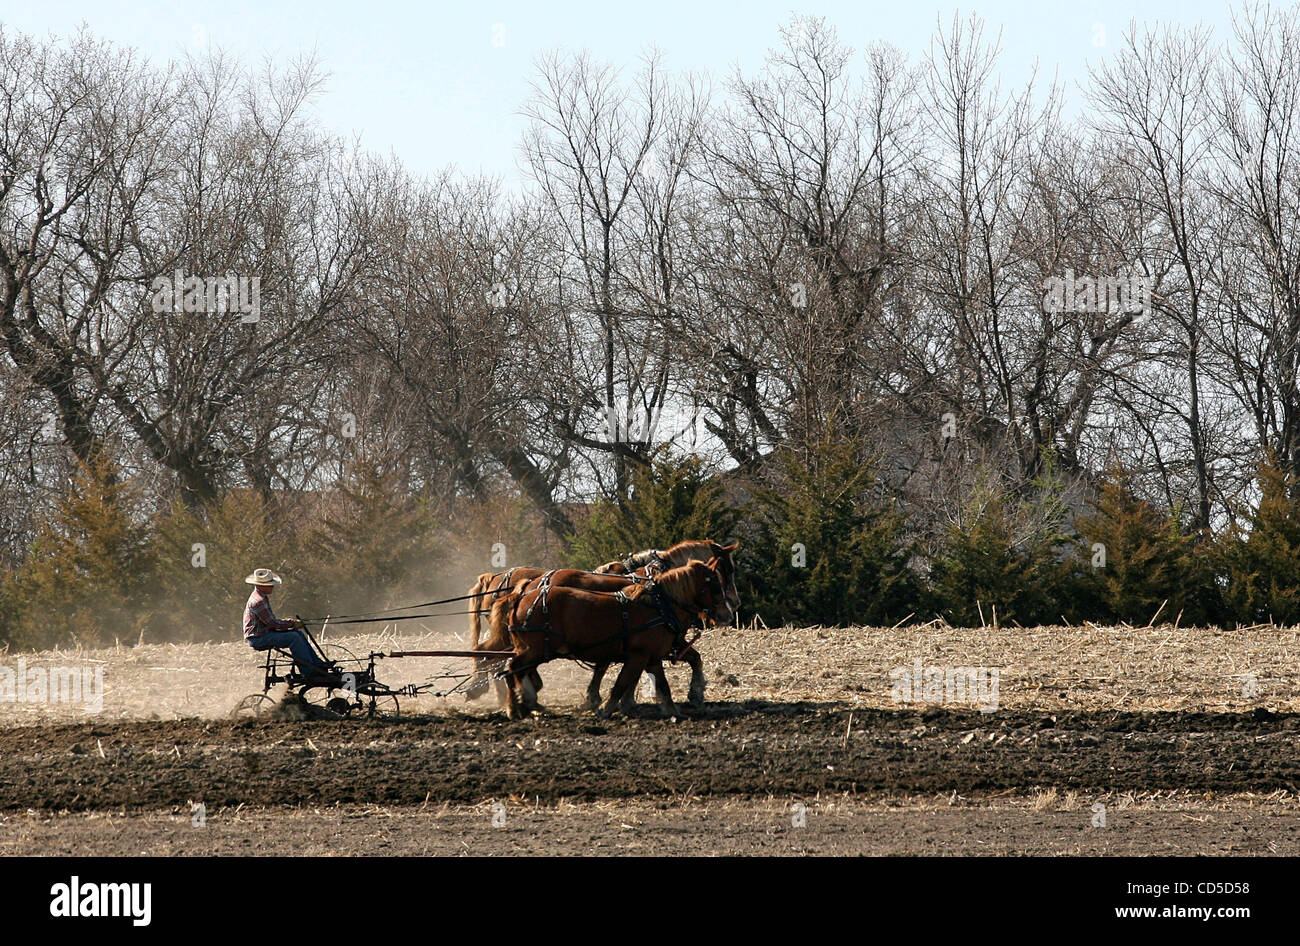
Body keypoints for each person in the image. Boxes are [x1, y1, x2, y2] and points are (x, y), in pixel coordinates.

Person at [242, 568, 334, 682]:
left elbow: (270, 621)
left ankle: (317, 665)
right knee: (294, 638)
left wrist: (290, 623)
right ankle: (309, 672)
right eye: (270, 585)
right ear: (260, 586)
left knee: (297, 634)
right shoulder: (259, 601)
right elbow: (273, 623)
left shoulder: (260, 597)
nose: (272, 587)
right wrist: (292, 623)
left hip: (263, 633)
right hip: (258, 638)